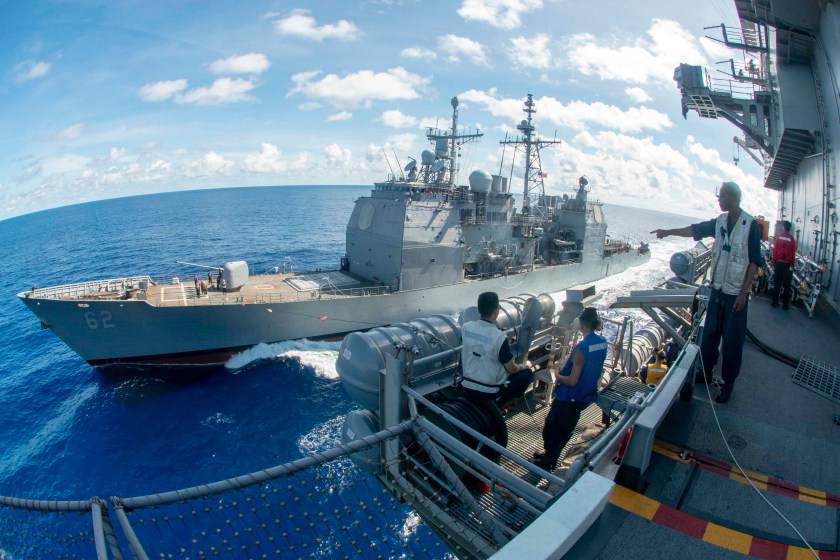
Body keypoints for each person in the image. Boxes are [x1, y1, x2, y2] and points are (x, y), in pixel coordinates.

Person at [651, 181, 763, 404]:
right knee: (710, 337)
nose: (718, 200)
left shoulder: (750, 225)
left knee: (732, 343)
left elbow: (754, 262)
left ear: (733, 198)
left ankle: (728, 382)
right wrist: (667, 232)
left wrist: (743, 294)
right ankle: (707, 372)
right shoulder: (719, 222)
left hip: (735, 295)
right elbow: (695, 230)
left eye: (721, 196)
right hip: (717, 291)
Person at [533, 307, 608, 471]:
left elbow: (573, 381)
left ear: (582, 323)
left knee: (552, 428)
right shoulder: (602, 342)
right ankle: (551, 457)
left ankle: (548, 461)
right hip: (585, 395)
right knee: (566, 428)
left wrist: (558, 375)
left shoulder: (582, 348)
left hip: (569, 397)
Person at [460, 292, 534, 410]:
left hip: (467, 385)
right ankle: (500, 405)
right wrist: (522, 366)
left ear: (479, 309)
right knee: (527, 374)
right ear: (496, 311)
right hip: (489, 391)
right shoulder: (499, 337)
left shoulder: (465, 328)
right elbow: (512, 369)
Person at [771, 220, 796, 309]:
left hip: (778, 263)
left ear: (784, 227)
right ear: (790, 228)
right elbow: (793, 254)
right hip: (787, 265)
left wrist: (773, 264)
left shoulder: (779, 237)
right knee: (787, 285)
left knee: (777, 284)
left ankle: (774, 302)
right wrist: (792, 265)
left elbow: (775, 251)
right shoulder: (792, 239)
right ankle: (785, 305)